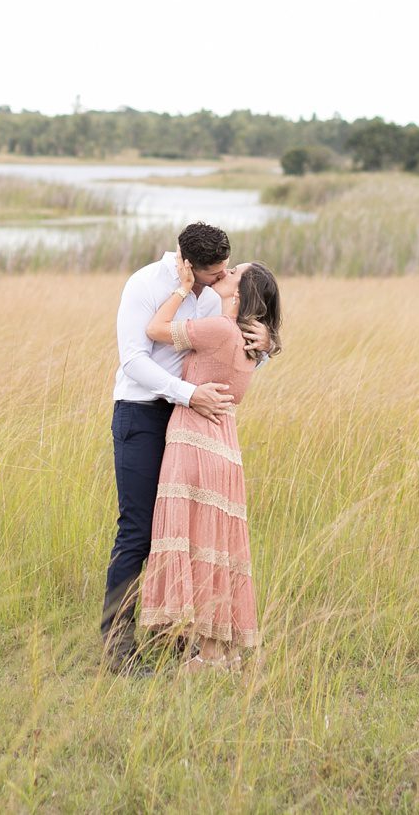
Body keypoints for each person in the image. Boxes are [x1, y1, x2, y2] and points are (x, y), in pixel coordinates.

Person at [100, 222, 259, 674]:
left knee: (185, 530)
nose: (220, 278)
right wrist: (189, 395)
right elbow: (132, 360)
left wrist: (266, 347)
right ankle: (118, 649)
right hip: (142, 413)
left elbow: (230, 342)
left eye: (224, 270)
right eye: (212, 272)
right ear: (187, 263)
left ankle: (175, 637)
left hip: (186, 422)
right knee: (138, 531)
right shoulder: (145, 284)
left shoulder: (213, 294)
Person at [139, 257, 281, 673]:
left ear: (238, 294)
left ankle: (210, 654)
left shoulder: (220, 329)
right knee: (216, 544)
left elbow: (154, 331)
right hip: (224, 447)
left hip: (194, 439)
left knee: (199, 542)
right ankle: (223, 651)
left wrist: (182, 289)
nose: (224, 272)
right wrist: (271, 343)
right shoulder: (252, 346)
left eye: (233, 272)